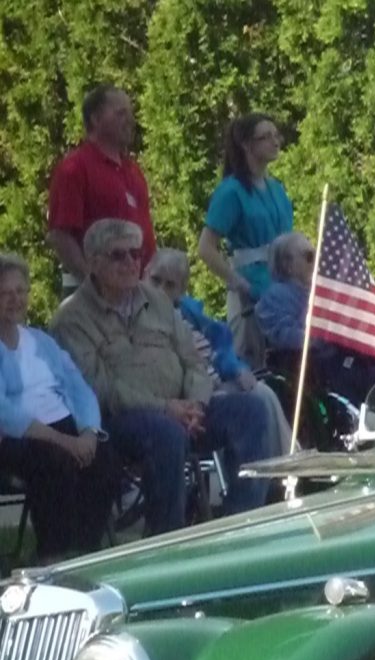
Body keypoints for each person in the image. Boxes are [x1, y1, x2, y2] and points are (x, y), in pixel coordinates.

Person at [50, 219, 271, 536]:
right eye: (118, 255)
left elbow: (194, 361)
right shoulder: (72, 319)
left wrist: (194, 403)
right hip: (117, 422)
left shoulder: (158, 301)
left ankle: (240, 527)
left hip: (182, 412)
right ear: (93, 261)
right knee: (165, 432)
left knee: (250, 410)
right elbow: (99, 389)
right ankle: (167, 539)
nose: (130, 263)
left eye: (135, 254)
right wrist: (166, 408)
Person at [0, 253, 119, 562]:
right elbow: (5, 412)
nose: (15, 299)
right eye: (5, 293)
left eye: (20, 291)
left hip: (64, 426)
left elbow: (78, 387)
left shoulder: (41, 341)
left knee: (104, 459)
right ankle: (54, 553)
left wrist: (89, 433)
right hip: (19, 437)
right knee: (56, 463)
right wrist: (65, 442)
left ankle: (86, 549)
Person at [146, 248, 293, 456]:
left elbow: (220, 340)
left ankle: (285, 466)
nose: (161, 290)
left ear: (181, 290)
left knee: (263, 393)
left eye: (170, 285)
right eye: (156, 280)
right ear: (145, 273)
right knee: (254, 403)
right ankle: (284, 468)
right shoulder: (138, 312)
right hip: (187, 394)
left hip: (213, 379)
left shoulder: (186, 311)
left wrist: (236, 368)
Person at [198, 113, 293, 370]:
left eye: (276, 135)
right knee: (255, 364)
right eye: (266, 137)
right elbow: (206, 248)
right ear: (247, 145)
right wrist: (237, 282)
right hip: (251, 294)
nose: (275, 142)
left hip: (284, 290)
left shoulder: (277, 187)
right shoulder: (231, 191)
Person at [47, 84, 156, 296]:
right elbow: (60, 235)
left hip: (135, 293)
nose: (130, 120)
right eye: (120, 113)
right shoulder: (75, 168)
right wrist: (93, 283)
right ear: (96, 119)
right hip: (90, 295)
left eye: (130, 113)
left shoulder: (133, 171)